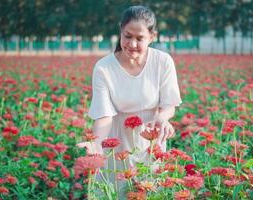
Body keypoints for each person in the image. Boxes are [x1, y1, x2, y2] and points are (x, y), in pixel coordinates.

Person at [77, 5, 182, 196]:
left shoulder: (163, 62)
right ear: (120, 31)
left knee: (150, 191)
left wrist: (162, 119)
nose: (132, 44)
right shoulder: (104, 68)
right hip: (118, 144)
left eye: (139, 38)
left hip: (150, 140)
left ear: (152, 37)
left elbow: (169, 104)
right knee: (117, 191)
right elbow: (104, 116)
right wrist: (96, 146)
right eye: (127, 36)